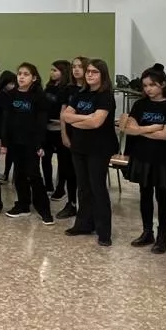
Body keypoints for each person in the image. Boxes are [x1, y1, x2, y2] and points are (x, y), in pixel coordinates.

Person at [64, 58, 118, 246]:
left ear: (102, 75)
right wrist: (85, 118)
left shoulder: (105, 96)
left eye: (94, 72)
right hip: (79, 146)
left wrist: (77, 120)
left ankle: (104, 231)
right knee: (83, 187)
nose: (89, 75)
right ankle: (83, 224)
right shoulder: (80, 94)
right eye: (88, 72)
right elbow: (65, 116)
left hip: (99, 148)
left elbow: (97, 122)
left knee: (97, 187)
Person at [122, 66, 166, 251]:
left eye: (152, 85)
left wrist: (140, 130)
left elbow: (165, 136)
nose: (148, 89)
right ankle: (147, 231)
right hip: (142, 155)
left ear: (163, 84)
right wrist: (153, 127)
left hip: (162, 158)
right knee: (144, 195)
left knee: (162, 196)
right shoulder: (140, 105)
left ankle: (162, 236)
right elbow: (129, 128)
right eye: (145, 85)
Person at [0, 64, 52, 223]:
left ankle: (44, 209)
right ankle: (23, 205)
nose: (21, 77)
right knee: (19, 174)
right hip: (15, 142)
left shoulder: (39, 97)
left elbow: (41, 123)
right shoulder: (10, 95)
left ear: (34, 78)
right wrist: (4, 142)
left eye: (26, 74)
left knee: (34, 175)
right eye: (20, 74)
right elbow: (6, 120)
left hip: (32, 143)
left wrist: (40, 144)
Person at [53, 56, 91, 220]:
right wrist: (64, 134)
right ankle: (71, 203)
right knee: (68, 171)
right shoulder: (67, 90)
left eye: (80, 67)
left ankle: (87, 206)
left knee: (84, 174)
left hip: (86, 137)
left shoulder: (92, 91)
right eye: (74, 66)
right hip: (69, 135)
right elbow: (63, 114)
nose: (76, 70)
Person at [42, 60, 76, 208]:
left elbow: (65, 111)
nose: (52, 73)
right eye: (51, 70)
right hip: (47, 128)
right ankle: (48, 184)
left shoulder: (67, 90)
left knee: (63, 161)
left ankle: (60, 187)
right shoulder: (48, 88)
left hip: (60, 128)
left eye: (55, 70)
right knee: (45, 157)